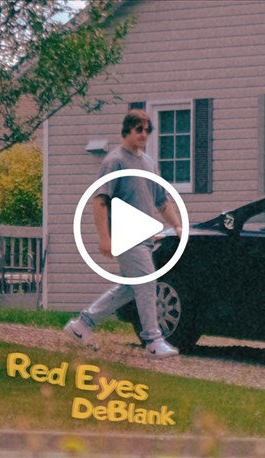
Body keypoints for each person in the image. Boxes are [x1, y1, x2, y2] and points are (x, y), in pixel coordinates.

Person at [64, 109, 182, 359]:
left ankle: (82, 325)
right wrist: (105, 238)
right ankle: (153, 340)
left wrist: (177, 225)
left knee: (129, 288)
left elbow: (161, 200)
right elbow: (100, 200)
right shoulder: (114, 161)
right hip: (126, 235)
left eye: (148, 130)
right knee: (147, 281)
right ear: (127, 130)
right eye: (139, 129)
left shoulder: (148, 163)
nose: (144, 134)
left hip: (145, 237)